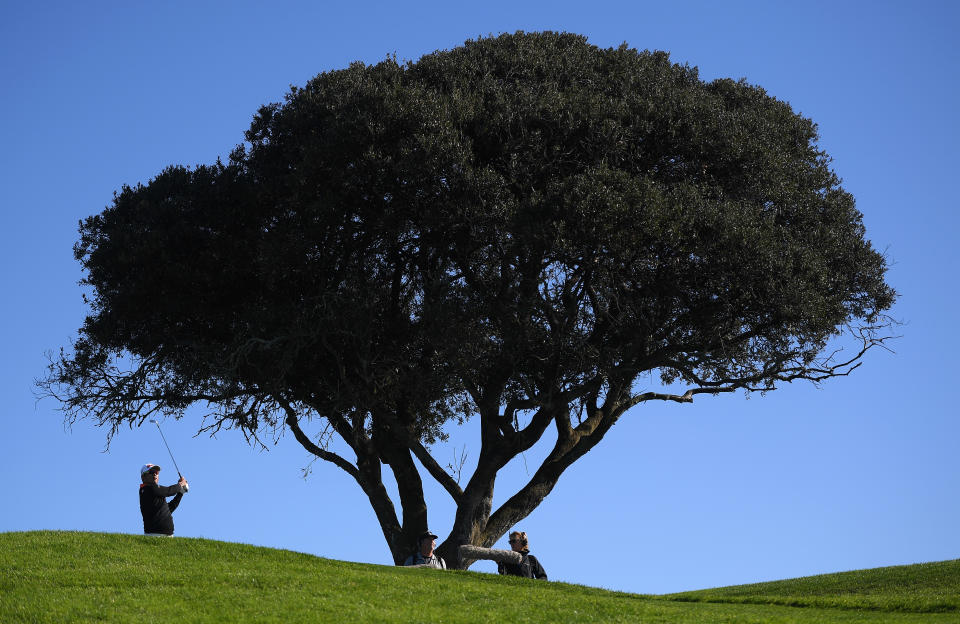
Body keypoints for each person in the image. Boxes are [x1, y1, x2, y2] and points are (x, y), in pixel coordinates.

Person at [138, 463, 188, 536]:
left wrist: (180, 493)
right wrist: (180, 485)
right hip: (154, 534)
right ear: (143, 477)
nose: (155, 475)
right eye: (151, 472)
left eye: (157, 473)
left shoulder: (154, 491)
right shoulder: (149, 489)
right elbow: (169, 491)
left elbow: (168, 509)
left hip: (166, 535)